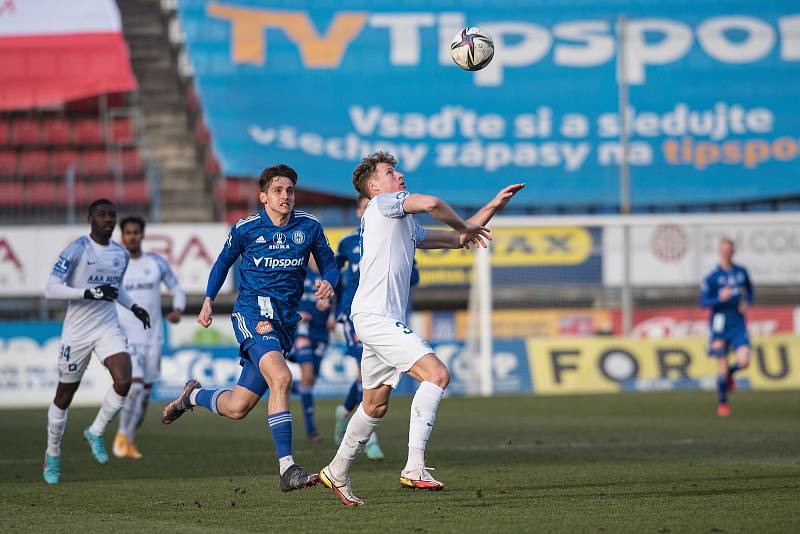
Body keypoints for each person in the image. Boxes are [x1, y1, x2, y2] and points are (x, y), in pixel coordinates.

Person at [319, 151, 524, 506]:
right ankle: (415, 466)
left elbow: (459, 239)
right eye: (390, 172)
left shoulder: (401, 223)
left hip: (372, 318)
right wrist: (463, 226)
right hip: (376, 317)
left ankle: (336, 470)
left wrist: (492, 205)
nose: (399, 176)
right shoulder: (383, 203)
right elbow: (432, 203)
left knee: (374, 405)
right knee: (437, 374)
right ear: (374, 185)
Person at [160, 164, 338, 492]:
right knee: (282, 378)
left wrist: (328, 280)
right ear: (263, 196)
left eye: (290, 191)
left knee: (237, 407)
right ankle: (287, 469)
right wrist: (209, 299)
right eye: (278, 191)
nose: (285, 196)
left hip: (284, 323)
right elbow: (222, 263)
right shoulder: (246, 228)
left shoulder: (309, 226)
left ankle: (192, 397)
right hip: (252, 314)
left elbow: (328, 263)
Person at [42, 199, 151, 484]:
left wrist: (134, 306)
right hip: (76, 332)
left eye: (112, 215)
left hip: (107, 327)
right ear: (90, 219)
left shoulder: (120, 254)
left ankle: (96, 431)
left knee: (124, 380)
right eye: (102, 215)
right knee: (64, 396)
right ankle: (53, 452)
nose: (108, 219)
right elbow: (51, 289)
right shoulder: (78, 248)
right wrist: (88, 293)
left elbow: (114, 290)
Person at [333, 195, 419, 460]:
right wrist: (333, 308)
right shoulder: (348, 242)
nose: (364, 210)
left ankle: (345, 413)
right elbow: (335, 276)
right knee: (364, 372)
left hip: (384, 313)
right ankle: (369, 440)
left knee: (366, 380)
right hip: (353, 313)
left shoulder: (393, 237)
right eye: (361, 206)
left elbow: (413, 276)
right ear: (360, 211)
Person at [112, 216, 186, 459]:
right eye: (128, 233)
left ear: (142, 236)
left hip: (153, 338)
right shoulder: (115, 265)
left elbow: (176, 288)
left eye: (136, 232)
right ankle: (121, 436)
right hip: (125, 338)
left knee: (144, 394)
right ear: (122, 237)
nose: (132, 236)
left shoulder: (155, 263)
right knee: (134, 387)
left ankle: (128, 439)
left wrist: (178, 309)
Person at [700, 238, 753, 417]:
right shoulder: (712, 276)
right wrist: (719, 299)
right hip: (720, 325)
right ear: (719, 251)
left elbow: (750, 291)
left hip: (738, 323)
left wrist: (747, 302)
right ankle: (723, 402)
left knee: (744, 361)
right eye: (723, 249)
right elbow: (703, 302)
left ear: (733, 251)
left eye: (729, 249)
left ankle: (731, 373)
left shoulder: (741, 272)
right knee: (721, 367)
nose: (726, 252)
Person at [290, 258, 333, 443]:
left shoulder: (329, 273)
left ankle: (279, 386)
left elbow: (338, 297)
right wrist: (297, 315)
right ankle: (311, 430)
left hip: (321, 334)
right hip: (301, 333)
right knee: (307, 375)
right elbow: (286, 298)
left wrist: (331, 312)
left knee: (310, 381)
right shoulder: (299, 271)